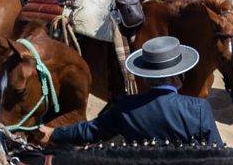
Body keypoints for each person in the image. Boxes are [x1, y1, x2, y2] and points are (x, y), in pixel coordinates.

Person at [41, 38, 219, 146]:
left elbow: (90, 132)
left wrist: (53, 133)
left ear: (146, 77)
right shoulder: (199, 109)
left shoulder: (126, 108)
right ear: (180, 75)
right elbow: (218, 154)